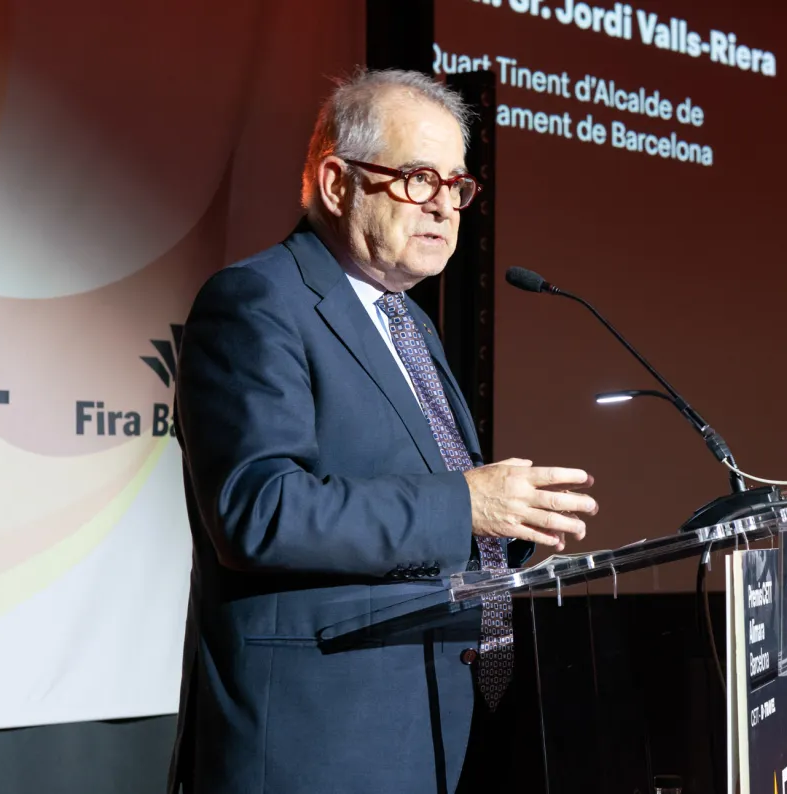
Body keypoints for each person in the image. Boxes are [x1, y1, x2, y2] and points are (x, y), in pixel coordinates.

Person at [167, 68, 599, 794]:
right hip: (316, 738)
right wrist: (467, 506)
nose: (444, 207)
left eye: (456, 185)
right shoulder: (256, 302)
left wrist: (508, 523)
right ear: (338, 184)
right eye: (418, 179)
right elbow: (258, 511)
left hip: (428, 719)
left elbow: (423, 498)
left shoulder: (408, 322)